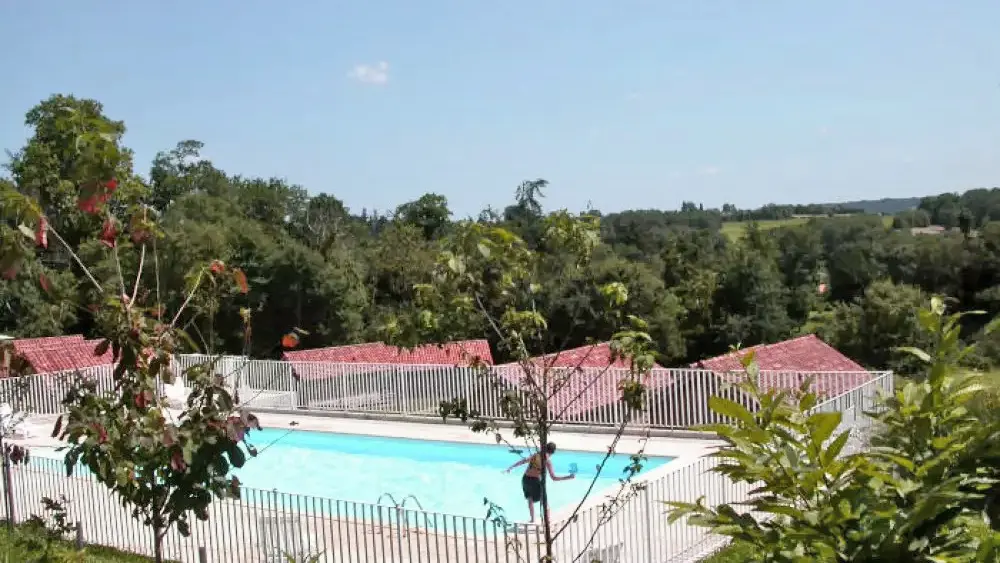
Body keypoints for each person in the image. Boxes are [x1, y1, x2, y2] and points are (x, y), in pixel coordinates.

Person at [503, 442, 574, 522]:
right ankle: (547, 521)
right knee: (544, 501)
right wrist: (568, 477)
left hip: (525, 479)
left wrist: (511, 467)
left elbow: (523, 461)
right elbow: (554, 478)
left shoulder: (535, 455)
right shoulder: (547, 461)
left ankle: (532, 520)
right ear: (553, 452)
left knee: (530, 499)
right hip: (535, 481)